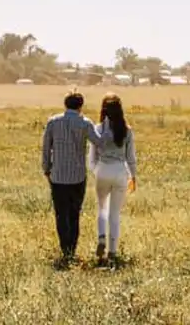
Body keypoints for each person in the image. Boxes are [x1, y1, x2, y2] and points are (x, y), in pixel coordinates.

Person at [40, 89, 104, 266]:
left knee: (61, 214)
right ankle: (72, 249)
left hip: (58, 175)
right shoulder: (85, 123)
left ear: (65, 104)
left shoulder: (53, 122)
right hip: (77, 176)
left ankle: (65, 249)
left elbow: (46, 148)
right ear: (81, 106)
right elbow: (98, 143)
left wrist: (47, 168)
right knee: (75, 214)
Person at [88, 92, 137, 267]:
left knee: (102, 208)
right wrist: (133, 176)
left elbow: (92, 158)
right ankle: (113, 251)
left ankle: (101, 237)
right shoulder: (127, 130)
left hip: (103, 169)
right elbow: (130, 157)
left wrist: (96, 171)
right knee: (115, 213)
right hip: (120, 171)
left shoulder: (98, 128)